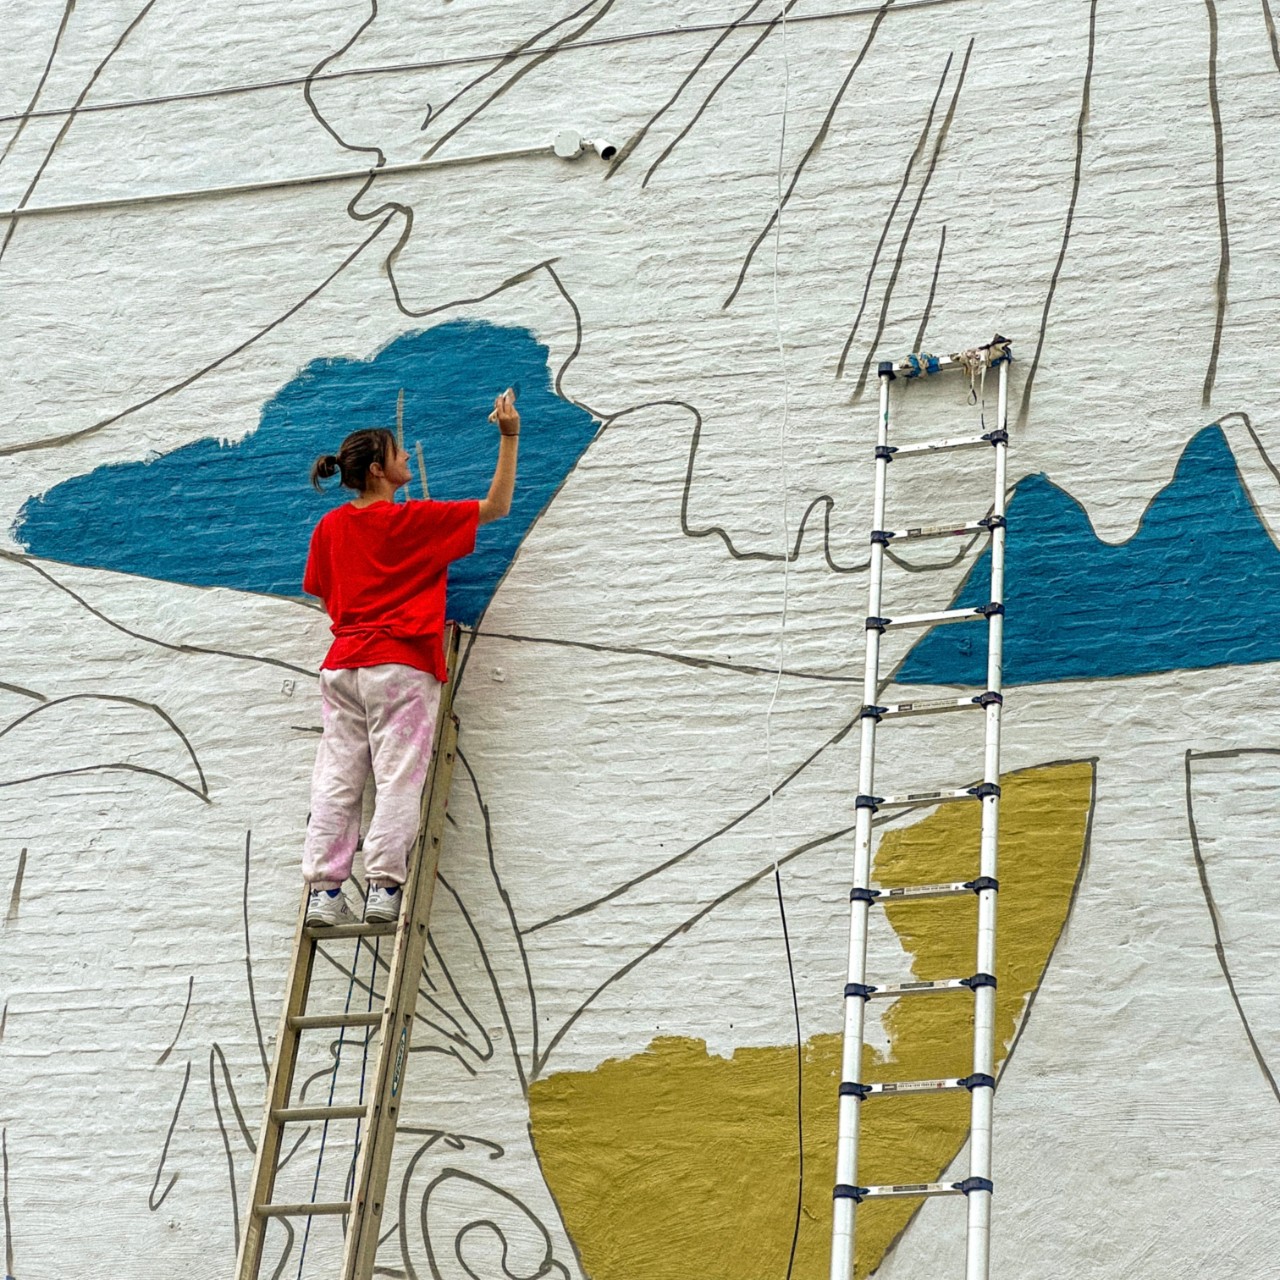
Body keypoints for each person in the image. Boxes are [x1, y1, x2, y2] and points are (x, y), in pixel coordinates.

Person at [300, 390, 520, 925]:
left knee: (337, 777)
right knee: (398, 776)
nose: (407, 460)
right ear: (379, 470)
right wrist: (509, 435)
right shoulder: (414, 521)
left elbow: (323, 593)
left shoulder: (330, 527)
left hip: (343, 666)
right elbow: (497, 507)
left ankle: (325, 894)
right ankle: (382, 886)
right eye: (398, 455)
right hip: (400, 664)